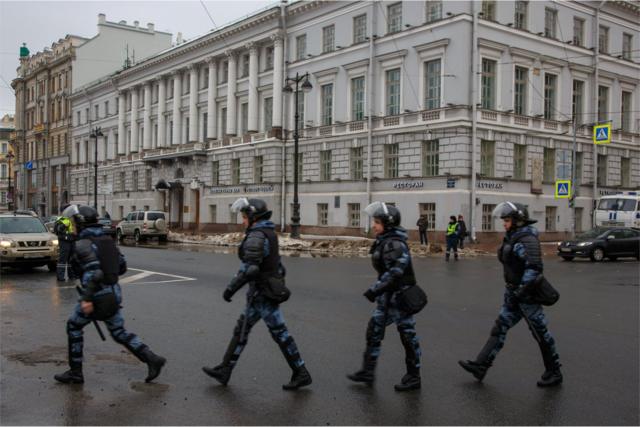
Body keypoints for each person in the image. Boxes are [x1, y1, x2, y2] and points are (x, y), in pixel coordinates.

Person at [203, 198, 312, 390]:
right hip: (262, 292)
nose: (243, 221)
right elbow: (276, 264)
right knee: (243, 330)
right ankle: (225, 369)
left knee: (279, 333)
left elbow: (250, 269)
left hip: (263, 295)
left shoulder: (257, 235)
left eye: (245, 217)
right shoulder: (268, 232)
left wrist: (231, 289)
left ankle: (301, 372)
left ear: (253, 217)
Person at [54, 204, 166, 385]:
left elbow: (94, 273)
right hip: (113, 292)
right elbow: (122, 267)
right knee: (118, 332)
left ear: (81, 223)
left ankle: (75, 373)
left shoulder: (83, 244)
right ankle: (152, 359)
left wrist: (87, 298)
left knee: (74, 326)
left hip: (97, 295)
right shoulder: (107, 240)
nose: (73, 226)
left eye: (74, 223)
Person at [458, 202, 562, 387]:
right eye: (504, 220)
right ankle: (481, 365)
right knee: (500, 327)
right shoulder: (514, 237)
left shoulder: (527, 239)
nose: (504, 224)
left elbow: (534, 268)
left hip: (527, 296)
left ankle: (554, 371)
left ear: (518, 221)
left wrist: (521, 291)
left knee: (540, 333)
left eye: (507, 220)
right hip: (514, 293)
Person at [347, 202, 422, 391]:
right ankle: (368, 372)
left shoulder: (394, 243)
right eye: (375, 221)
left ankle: (414, 376)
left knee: (408, 336)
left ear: (388, 224)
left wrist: (375, 290)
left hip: (399, 300)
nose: (374, 225)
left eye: (378, 222)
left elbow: (395, 272)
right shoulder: (386, 240)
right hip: (388, 299)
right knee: (374, 331)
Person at [54, 204, 75, 282]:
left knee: (72, 259)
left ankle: (72, 275)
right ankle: (60, 276)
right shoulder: (62, 219)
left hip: (72, 240)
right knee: (63, 259)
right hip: (64, 241)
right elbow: (57, 230)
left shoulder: (72, 219)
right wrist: (63, 226)